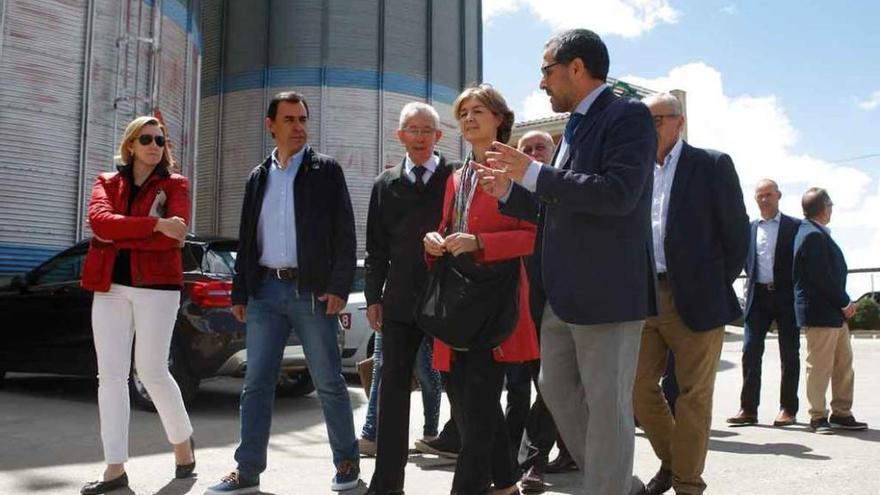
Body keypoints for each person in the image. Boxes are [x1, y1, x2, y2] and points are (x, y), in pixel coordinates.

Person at [480, 29, 656, 495]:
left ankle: (610, 487)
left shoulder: (628, 116)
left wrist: (535, 173)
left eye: (546, 71)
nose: (541, 83)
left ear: (576, 68)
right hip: (563, 296)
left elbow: (618, 195)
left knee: (607, 407)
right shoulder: (575, 126)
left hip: (608, 295)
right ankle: (622, 484)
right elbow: (559, 200)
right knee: (557, 393)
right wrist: (512, 193)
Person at [206, 91, 359, 494]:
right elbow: (246, 237)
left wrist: (339, 286)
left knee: (328, 382)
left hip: (311, 292)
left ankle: (346, 464)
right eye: (289, 119)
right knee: (256, 384)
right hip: (264, 293)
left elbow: (345, 233)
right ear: (270, 125)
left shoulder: (325, 171)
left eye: (303, 119)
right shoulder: (258, 177)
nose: (298, 127)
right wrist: (240, 292)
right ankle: (247, 471)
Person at [423, 84, 539, 495]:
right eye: (464, 112)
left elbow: (533, 236)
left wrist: (481, 243)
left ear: (500, 119)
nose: (470, 118)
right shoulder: (456, 176)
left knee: (479, 408)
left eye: (479, 111)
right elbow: (445, 226)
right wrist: (434, 241)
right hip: (456, 303)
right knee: (472, 408)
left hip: (496, 303)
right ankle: (506, 484)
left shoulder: (518, 170)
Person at [632, 92, 749, 495]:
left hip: (697, 298)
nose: (649, 129)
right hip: (646, 296)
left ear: (679, 122)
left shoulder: (711, 164)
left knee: (693, 395)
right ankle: (673, 462)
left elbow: (737, 233)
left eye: (657, 120)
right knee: (638, 389)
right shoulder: (637, 169)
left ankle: (686, 483)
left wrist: (715, 282)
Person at [80, 115, 195, 494]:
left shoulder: (176, 184)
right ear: (130, 145)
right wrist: (153, 225)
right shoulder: (106, 182)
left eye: (160, 141)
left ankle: (182, 447)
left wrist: (131, 231)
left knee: (151, 370)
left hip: (158, 288)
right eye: (146, 139)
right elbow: (100, 223)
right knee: (110, 377)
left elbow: (174, 235)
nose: (154, 146)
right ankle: (115, 467)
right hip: (109, 287)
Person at [362, 102, 450, 494]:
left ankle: (490, 476)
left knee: (464, 389)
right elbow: (376, 248)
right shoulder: (385, 185)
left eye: (426, 130)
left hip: (449, 300)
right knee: (393, 392)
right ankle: (387, 485)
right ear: (400, 136)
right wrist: (373, 296)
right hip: (399, 303)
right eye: (411, 130)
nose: (418, 136)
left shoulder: (455, 178)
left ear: (439, 136)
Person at [505, 130, 576, 495]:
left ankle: (532, 462)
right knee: (529, 388)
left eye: (539, 148)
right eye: (526, 149)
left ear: (553, 153)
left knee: (549, 385)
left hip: (558, 307)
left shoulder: (565, 191)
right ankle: (567, 452)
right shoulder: (509, 195)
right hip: (514, 310)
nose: (533, 153)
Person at [793, 187, 868, 434]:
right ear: (824, 208)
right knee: (820, 367)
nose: (832, 209)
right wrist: (845, 303)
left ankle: (841, 412)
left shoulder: (816, 233)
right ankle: (817, 416)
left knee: (843, 365)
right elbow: (822, 278)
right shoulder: (812, 235)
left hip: (832, 315)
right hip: (822, 313)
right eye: (831, 205)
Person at [728, 179, 801, 427]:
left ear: (778, 195)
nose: (764, 199)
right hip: (757, 297)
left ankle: (788, 409)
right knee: (750, 351)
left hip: (785, 296)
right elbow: (739, 260)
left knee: (789, 353)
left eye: (768, 194)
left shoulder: (794, 226)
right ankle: (748, 409)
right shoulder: (749, 229)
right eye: (759, 195)